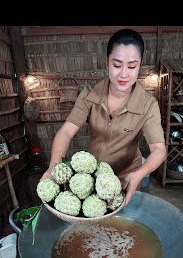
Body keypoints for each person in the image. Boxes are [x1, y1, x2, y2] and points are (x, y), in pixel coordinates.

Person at [41, 28, 166, 206]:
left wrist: (139, 174)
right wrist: (54, 166)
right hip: (92, 177)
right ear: (107, 62)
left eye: (132, 66)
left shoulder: (148, 105)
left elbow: (159, 150)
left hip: (126, 177)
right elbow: (66, 132)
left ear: (140, 64)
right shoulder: (89, 96)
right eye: (116, 65)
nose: (123, 74)